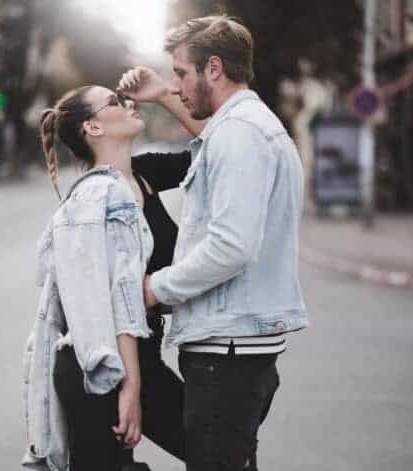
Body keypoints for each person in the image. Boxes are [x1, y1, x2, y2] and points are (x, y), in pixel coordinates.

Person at [118, 15, 309, 471]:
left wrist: (153, 289)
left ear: (215, 68)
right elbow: (210, 141)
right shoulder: (241, 128)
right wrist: (164, 96)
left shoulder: (241, 134)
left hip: (226, 355)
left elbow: (230, 247)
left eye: (182, 73)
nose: (177, 84)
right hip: (235, 349)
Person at [22, 84, 202, 471]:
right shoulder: (95, 199)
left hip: (139, 360)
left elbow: (216, 149)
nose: (129, 103)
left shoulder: (144, 175)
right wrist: (130, 386)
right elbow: (115, 300)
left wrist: (162, 93)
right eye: (116, 102)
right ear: (94, 127)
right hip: (100, 366)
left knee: (219, 452)